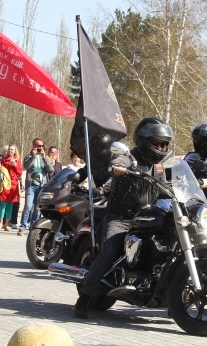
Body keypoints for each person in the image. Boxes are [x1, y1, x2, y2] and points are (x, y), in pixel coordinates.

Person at [74, 117, 173, 319]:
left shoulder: (159, 168)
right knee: (109, 251)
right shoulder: (131, 158)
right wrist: (118, 167)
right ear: (143, 139)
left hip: (147, 218)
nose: (160, 147)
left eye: (163, 144)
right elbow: (120, 161)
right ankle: (84, 297)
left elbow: (167, 189)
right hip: (120, 217)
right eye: (156, 143)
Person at [19, 138, 54, 235]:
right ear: (33, 146)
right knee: (28, 206)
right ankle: (23, 225)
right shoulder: (28, 156)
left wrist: (44, 158)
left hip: (42, 185)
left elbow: (51, 170)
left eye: (42, 146)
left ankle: (34, 226)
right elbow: (26, 166)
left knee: (37, 207)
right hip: (31, 184)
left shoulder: (45, 157)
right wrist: (33, 156)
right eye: (38, 146)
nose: (41, 148)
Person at [0, 145, 22, 232]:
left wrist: (15, 165)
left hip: (13, 184)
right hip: (5, 183)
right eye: (9, 149)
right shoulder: (4, 159)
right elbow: (1, 170)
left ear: (15, 151)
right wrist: (7, 164)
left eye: (12, 149)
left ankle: (6, 224)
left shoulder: (18, 160)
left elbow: (19, 173)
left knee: (10, 205)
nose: (10, 151)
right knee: (3, 203)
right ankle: (0, 222)